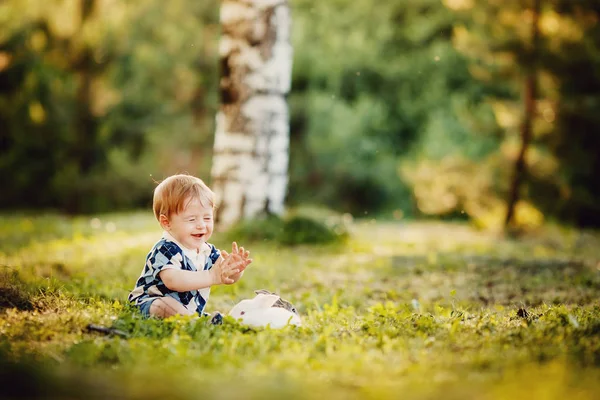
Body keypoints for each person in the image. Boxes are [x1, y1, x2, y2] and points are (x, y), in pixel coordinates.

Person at [128, 174, 252, 318]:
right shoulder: (165, 249)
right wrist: (211, 276)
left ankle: (194, 319)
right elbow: (173, 281)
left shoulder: (207, 251)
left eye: (207, 218)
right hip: (148, 304)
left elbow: (225, 275)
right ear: (167, 223)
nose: (201, 225)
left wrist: (235, 269)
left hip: (188, 311)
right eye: (192, 219)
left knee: (179, 310)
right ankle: (194, 320)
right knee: (162, 305)